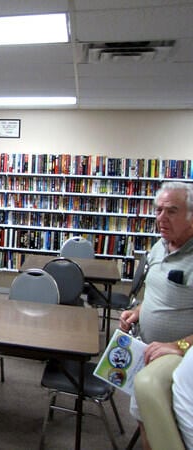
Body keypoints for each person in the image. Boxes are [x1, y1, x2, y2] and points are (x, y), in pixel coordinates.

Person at [119, 181, 193, 450]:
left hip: (179, 368)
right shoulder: (159, 247)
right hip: (146, 355)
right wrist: (137, 312)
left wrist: (179, 346)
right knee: (146, 422)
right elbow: (155, 293)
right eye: (158, 210)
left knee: (171, 434)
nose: (161, 218)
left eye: (171, 211)